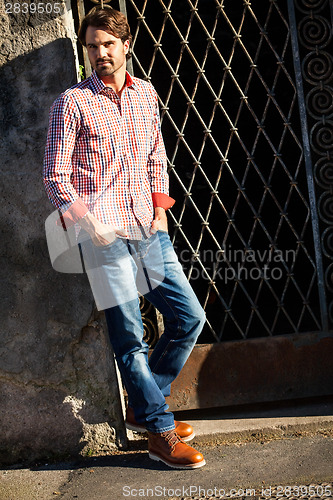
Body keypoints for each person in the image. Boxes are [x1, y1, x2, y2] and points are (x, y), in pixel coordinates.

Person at [43, 5, 206, 469]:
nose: (99, 53)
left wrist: (161, 211)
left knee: (188, 317)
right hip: (104, 238)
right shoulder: (72, 103)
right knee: (130, 337)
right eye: (91, 46)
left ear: (126, 45)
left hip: (148, 229)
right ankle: (159, 429)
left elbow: (156, 155)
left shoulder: (146, 95)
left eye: (107, 44)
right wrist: (90, 225)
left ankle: (145, 402)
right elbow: (54, 175)